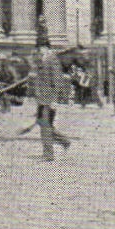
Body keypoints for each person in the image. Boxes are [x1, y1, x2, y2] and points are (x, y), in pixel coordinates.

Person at [30, 27, 72, 160]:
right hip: (42, 98)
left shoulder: (52, 59)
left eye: (40, 48)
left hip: (49, 99)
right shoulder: (43, 59)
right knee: (42, 123)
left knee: (45, 125)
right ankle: (64, 141)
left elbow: (57, 80)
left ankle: (48, 154)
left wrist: (55, 100)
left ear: (45, 47)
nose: (39, 50)